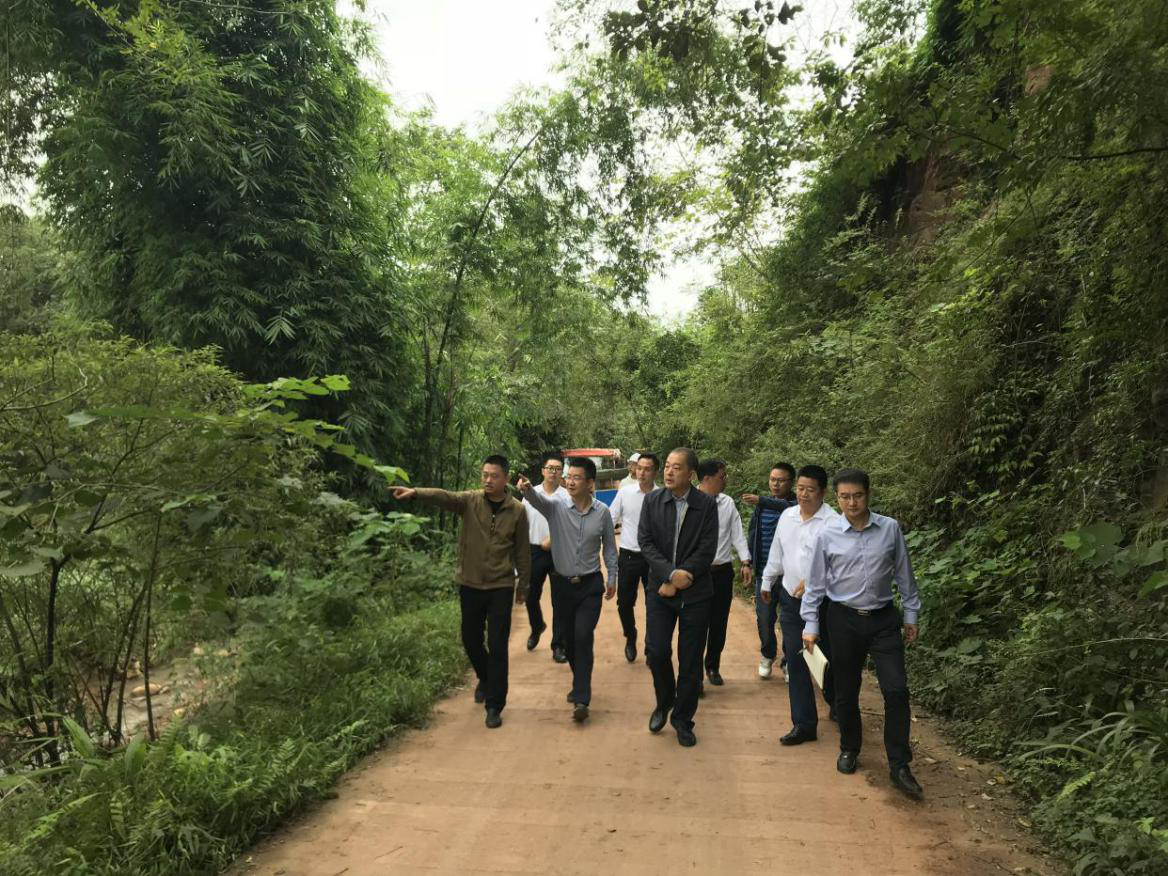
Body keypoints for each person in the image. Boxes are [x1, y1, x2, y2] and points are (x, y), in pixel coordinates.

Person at [801, 468, 924, 799]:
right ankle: (849, 747)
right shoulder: (827, 534)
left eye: (857, 496)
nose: (851, 503)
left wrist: (910, 613)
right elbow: (815, 584)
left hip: (883, 619)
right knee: (846, 689)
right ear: (836, 498)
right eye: (844, 497)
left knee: (896, 690)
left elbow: (904, 574)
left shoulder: (889, 528)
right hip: (843, 619)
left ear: (868, 495)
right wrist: (811, 625)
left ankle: (899, 764)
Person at [393, 455, 530, 730]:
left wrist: (523, 587)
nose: (487, 480)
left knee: (498, 645)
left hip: (501, 586)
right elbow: (444, 497)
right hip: (470, 583)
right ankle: (485, 677)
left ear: (505, 478)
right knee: (470, 638)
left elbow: (523, 552)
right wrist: (416, 492)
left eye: (494, 476)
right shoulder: (470, 501)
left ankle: (495, 706)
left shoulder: (517, 510)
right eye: (484, 475)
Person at [517, 458, 617, 722]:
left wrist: (613, 576)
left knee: (583, 636)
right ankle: (579, 681)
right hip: (562, 586)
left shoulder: (603, 512)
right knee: (571, 642)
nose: (570, 482)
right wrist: (527, 489)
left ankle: (582, 698)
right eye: (568, 477)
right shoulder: (556, 507)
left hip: (590, 585)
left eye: (576, 477)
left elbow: (609, 547)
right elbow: (538, 500)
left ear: (590, 483)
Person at [638, 447, 718, 747]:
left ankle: (683, 719)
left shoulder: (706, 505)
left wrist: (684, 576)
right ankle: (664, 701)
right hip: (660, 590)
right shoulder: (652, 501)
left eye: (676, 467)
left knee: (690, 660)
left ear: (691, 474)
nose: (669, 472)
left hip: (696, 593)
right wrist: (670, 575)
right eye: (667, 466)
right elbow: (645, 542)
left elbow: (707, 548)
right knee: (657, 651)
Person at [760, 464, 839, 746]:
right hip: (792, 601)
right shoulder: (788, 516)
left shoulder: (834, 523)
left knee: (827, 658)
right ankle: (804, 724)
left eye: (810, 490)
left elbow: (841, 564)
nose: (804, 494)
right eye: (801, 489)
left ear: (823, 492)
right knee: (796, 658)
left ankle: (836, 701)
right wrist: (767, 580)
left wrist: (816, 580)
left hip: (825, 604)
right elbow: (777, 551)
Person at [696, 458, 751, 687]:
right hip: (696, 575)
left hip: (722, 572)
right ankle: (694, 675)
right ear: (707, 478)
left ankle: (712, 666)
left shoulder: (727, 503)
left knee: (719, 623)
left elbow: (737, 533)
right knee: (696, 624)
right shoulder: (689, 502)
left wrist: (746, 561)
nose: (725, 480)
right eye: (722, 476)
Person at [741, 462, 796, 679]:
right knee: (764, 618)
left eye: (781, 480)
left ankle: (789, 661)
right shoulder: (761, 507)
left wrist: (762, 500)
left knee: (790, 621)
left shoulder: (797, 506)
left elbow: (788, 508)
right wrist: (748, 563)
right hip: (764, 573)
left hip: (791, 576)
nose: (776, 484)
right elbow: (753, 534)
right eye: (773, 479)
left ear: (791, 482)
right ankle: (767, 654)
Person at [609, 452, 660, 662]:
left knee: (654, 604)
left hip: (654, 558)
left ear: (655, 472)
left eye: (647, 469)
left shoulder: (662, 496)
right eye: (639, 468)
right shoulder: (625, 493)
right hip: (629, 555)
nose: (642, 472)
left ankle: (651, 643)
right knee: (624, 603)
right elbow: (610, 518)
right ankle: (630, 636)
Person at [522, 451, 572, 658]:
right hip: (534, 550)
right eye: (550, 468)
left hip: (559, 551)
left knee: (560, 599)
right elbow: (522, 524)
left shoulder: (567, 496)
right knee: (530, 595)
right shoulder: (530, 494)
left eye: (558, 469)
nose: (553, 472)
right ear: (543, 471)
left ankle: (558, 645)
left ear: (562, 473)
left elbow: (571, 525)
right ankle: (537, 626)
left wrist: (554, 538)